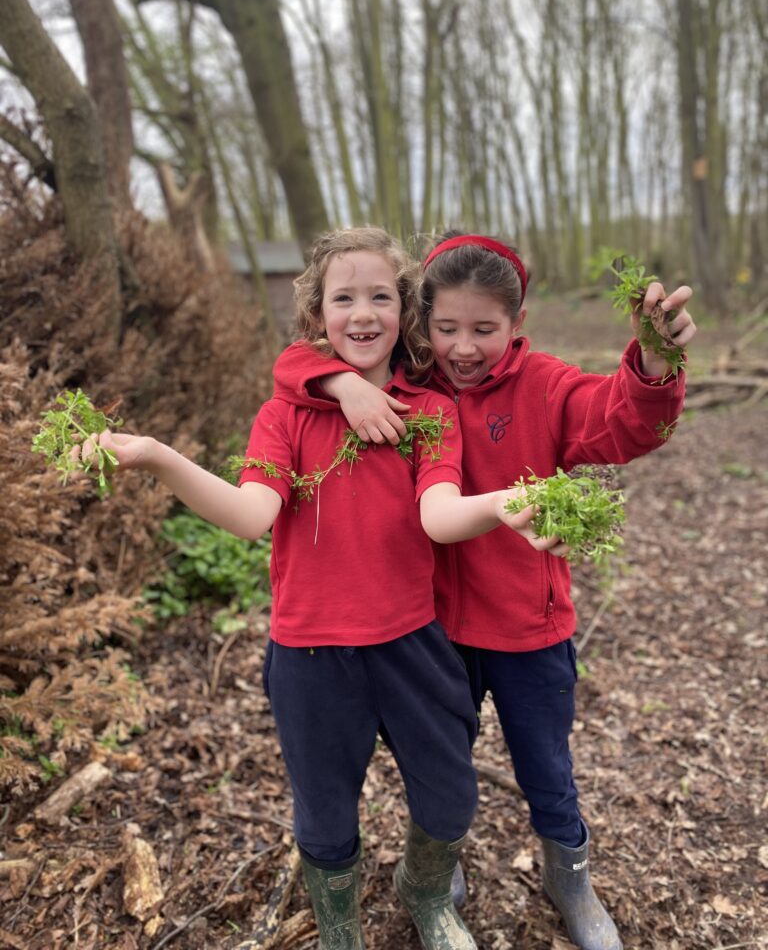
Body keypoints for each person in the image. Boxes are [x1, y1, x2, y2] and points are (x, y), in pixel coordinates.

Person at [74, 227, 560, 950]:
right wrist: (155, 457)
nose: (361, 313)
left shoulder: (426, 412)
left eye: (380, 297)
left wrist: (501, 507)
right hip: (309, 655)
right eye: (343, 298)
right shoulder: (286, 416)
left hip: (412, 646)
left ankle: (426, 894)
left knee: (452, 795)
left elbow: (438, 513)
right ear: (317, 316)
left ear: (405, 313)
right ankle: (340, 928)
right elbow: (249, 514)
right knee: (325, 817)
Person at [271, 232, 697, 950]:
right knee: (443, 761)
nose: (464, 348)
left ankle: (570, 876)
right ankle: (436, 872)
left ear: (516, 324)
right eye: (446, 330)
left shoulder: (547, 387)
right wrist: (342, 383)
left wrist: (655, 363)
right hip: (435, 631)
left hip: (529, 625)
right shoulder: (410, 386)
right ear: (420, 325)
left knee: (546, 766)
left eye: (484, 330)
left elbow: (622, 421)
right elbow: (299, 359)